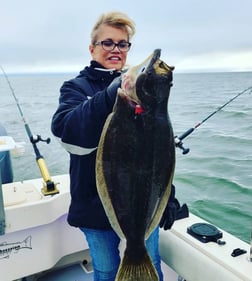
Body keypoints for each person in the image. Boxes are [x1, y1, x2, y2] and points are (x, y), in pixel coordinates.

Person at [51, 11, 184, 281]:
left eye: (122, 44)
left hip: (143, 204)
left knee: (152, 265)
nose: (116, 49)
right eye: (107, 43)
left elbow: (157, 153)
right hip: (94, 206)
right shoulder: (75, 88)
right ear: (92, 48)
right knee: (107, 271)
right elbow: (67, 132)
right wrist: (112, 93)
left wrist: (166, 197)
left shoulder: (136, 87)